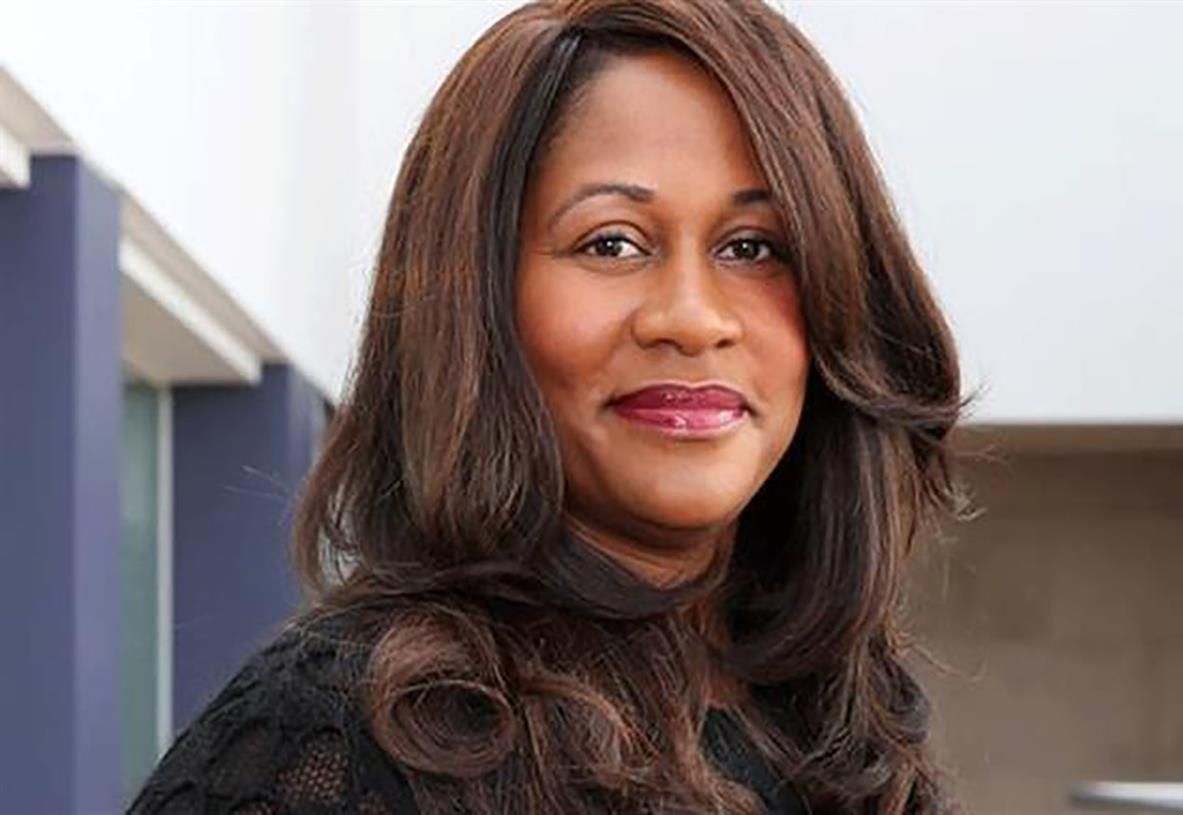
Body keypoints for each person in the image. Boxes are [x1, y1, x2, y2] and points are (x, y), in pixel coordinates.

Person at [129, 0, 975, 812]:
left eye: (752, 247)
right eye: (612, 243)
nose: (691, 318)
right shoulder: (336, 741)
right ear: (480, 302)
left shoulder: (842, 735)